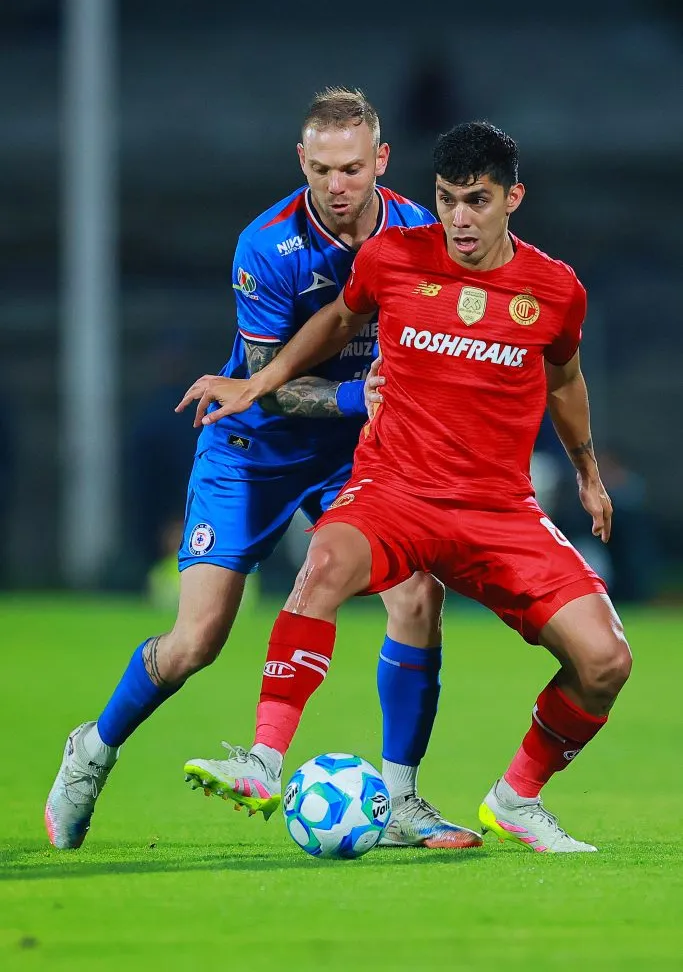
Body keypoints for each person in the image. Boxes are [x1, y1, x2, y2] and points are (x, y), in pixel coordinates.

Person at [178, 121, 633, 854]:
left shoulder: (553, 289)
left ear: (512, 198)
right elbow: (337, 320)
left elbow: (565, 379)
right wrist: (260, 382)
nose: (459, 218)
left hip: (497, 509)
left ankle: (516, 798)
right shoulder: (393, 258)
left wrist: (585, 470)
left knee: (606, 661)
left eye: (477, 201)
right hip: (395, 491)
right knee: (323, 564)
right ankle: (262, 759)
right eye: (447, 199)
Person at [45, 88, 481, 851]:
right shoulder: (267, 246)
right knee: (196, 640)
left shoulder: (422, 232)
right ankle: (93, 749)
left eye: (352, 168)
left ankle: (402, 800)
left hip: (354, 456)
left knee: (416, 593)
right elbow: (264, 386)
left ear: (381, 159)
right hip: (253, 449)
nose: (337, 186)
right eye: (322, 170)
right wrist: (359, 394)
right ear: (301, 162)